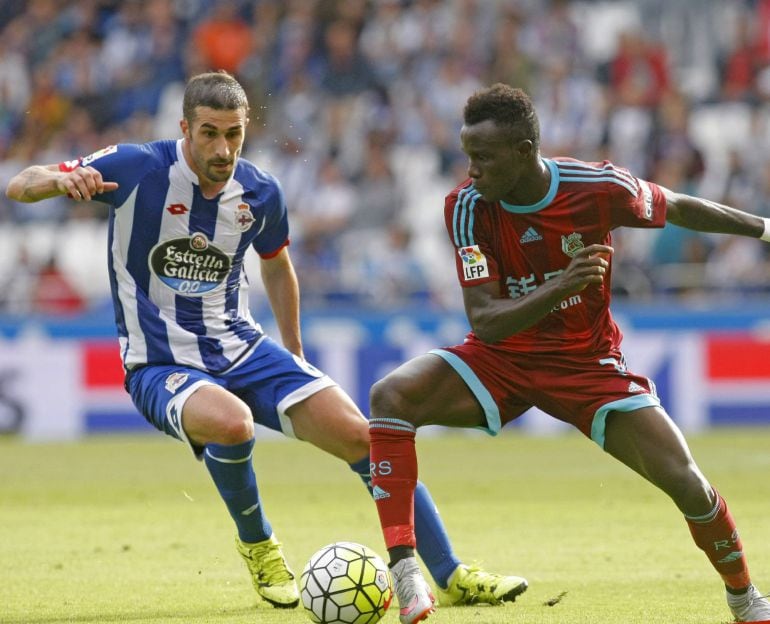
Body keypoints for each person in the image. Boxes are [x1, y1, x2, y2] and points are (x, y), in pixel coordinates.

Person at [4, 71, 527, 614]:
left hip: (245, 349)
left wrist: (295, 354)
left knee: (369, 440)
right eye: (209, 133)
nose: (223, 148)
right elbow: (22, 183)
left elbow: (278, 268)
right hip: (157, 362)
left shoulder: (259, 191)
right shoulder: (136, 167)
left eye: (233, 134)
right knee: (232, 422)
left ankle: (451, 573)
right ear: (184, 127)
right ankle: (259, 545)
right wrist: (62, 182)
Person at [368, 82, 770, 624]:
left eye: (483, 158)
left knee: (687, 481)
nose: (472, 171)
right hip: (503, 358)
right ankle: (407, 571)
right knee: (391, 395)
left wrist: (764, 230)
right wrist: (560, 285)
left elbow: (676, 206)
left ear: (524, 151)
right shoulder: (466, 208)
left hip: (587, 365)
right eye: (468, 156)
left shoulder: (598, 187)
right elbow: (485, 322)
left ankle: (746, 598)